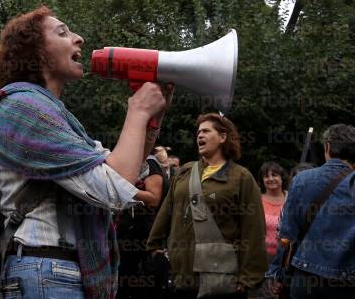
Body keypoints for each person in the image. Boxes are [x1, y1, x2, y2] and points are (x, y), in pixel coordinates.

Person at [0, 6, 172, 298]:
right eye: (62, 32)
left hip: (51, 270)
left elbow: (124, 173)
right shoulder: (20, 109)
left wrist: (152, 121)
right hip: (44, 269)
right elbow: (114, 186)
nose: (79, 38)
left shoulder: (56, 118)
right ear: (36, 52)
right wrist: (138, 110)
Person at [147, 112, 267, 299]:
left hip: (220, 277)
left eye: (206, 131)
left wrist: (249, 278)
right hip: (181, 273)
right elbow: (166, 210)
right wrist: (154, 246)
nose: (199, 135)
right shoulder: (186, 171)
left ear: (222, 137)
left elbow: (254, 229)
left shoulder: (241, 177)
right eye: (198, 133)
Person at [270, 124, 355, 299]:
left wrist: (279, 275)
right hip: (347, 281)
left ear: (328, 147)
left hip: (305, 278)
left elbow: (286, 236)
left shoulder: (301, 180)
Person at [116, 134, 169, 298]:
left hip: (143, 236)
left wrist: (121, 188)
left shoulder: (150, 164)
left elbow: (153, 199)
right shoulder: (138, 164)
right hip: (132, 235)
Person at [257, 162, 288, 262]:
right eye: (266, 176)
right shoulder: (256, 199)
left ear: (281, 177)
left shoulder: (291, 199)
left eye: (274, 175)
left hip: (285, 258)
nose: (270, 179)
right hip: (260, 256)